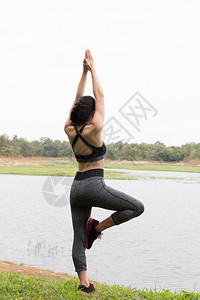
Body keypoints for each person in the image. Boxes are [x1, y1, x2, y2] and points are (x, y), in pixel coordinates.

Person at [64, 49, 145, 294]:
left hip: (76, 188)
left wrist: (83, 73)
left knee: (78, 237)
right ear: (91, 114)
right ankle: (97, 229)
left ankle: (84, 285)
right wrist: (93, 69)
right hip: (94, 185)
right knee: (136, 207)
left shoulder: (68, 128)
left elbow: (77, 100)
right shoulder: (95, 128)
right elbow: (100, 94)